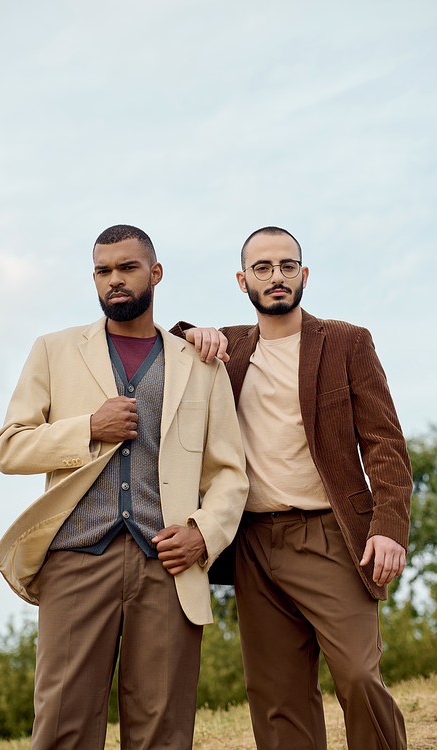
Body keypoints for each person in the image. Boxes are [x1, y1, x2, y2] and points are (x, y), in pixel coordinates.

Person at [0, 224, 248, 750]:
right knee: (62, 726)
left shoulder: (201, 365)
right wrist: (88, 427)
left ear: (154, 273)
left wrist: (203, 533)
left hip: (167, 567)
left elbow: (229, 473)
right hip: (75, 560)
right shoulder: (52, 350)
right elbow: (9, 447)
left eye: (127, 268)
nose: (115, 281)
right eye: (103, 271)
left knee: (162, 730)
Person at [172, 226, 412, 750]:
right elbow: (165, 343)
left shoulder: (348, 341)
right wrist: (191, 331)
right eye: (262, 268)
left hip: (332, 536)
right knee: (277, 699)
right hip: (254, 543)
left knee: (358, 677)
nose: (275, 276)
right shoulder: (228, 347)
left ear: (303, 275)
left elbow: (385, 445)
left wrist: (389, 526)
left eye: (286, 266)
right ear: (243, 280)